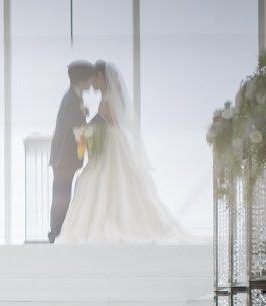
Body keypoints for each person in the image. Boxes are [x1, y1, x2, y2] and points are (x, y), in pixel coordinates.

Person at [56, 60, 189, 243]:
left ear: (101, 77)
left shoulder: (107, 99)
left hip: (110, 143)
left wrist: (90, 128)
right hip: (112, 142)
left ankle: (105, 222)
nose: (92, 83)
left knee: (105, 179)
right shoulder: (107, 97)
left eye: (94, 78)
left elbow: (107, 123)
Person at [48, 61, 95, 243]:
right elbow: (80, 128)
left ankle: (58, 231)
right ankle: (56, 233)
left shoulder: (74, 98)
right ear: (82, 80)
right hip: (63, 157)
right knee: (61, 196)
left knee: (62, 194)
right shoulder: (71, 101)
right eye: (89, 79)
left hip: (65, 157)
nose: (91, 83)